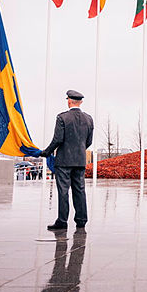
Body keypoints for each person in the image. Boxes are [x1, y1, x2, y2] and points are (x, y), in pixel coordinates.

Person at [40, 90, 94, 231]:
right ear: (80, 102)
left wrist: (47, 152)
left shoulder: (62, 117)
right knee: (80, 190)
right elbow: (89, 141)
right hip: (80, 160)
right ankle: (81, 220)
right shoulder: (89, 119)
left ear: (69, 101)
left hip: (64, 160)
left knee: (63, 191)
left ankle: (62, 221)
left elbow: (58, 139)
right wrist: (79, 150)